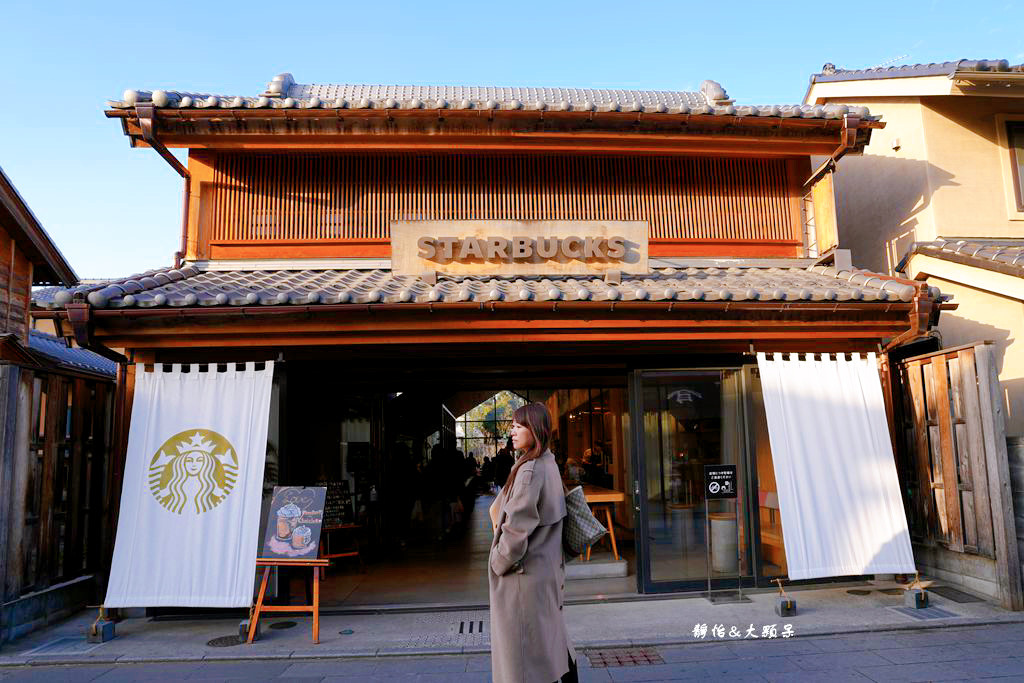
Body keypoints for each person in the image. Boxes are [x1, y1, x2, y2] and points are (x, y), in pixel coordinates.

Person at [488, 403, 577, 683]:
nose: (512, 432)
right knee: (548, 648)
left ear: (534, 430)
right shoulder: (548, 463)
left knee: (524, 663)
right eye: (512, 426)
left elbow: (515, 531)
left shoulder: (530, 470)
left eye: (518, 426)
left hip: (523, 580)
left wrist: (496, 562)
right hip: (544, 573)